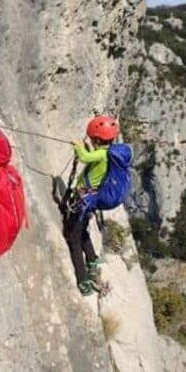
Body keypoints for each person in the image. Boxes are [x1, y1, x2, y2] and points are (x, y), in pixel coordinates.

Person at [63, 115, 120, 296]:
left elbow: (85, 157)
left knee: (73, 238)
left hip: (84, 199)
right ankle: (93, 259)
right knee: (83, 229)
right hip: (92, 200)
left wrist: (77, 145)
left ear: (97, 139)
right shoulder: (110, 153)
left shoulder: (101, 154)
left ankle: (83, 280)